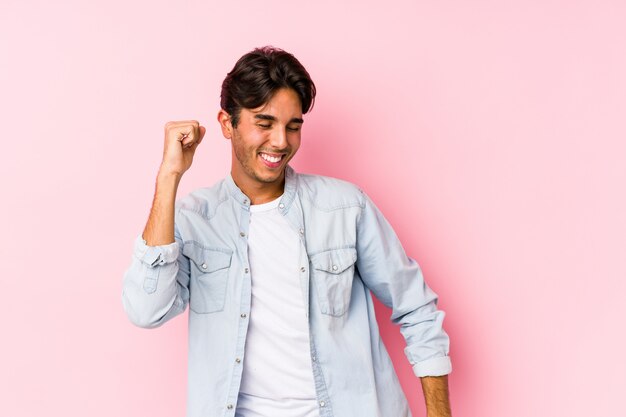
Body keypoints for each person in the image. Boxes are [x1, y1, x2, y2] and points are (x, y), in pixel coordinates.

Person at [122, 46, 452, 417]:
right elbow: (146, 310)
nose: (281, 141)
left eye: (293, 126)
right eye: (264, 123)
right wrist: (169, 176)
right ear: (227, 124)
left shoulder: (345, 207)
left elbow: (416, 308)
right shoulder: (195, 219)